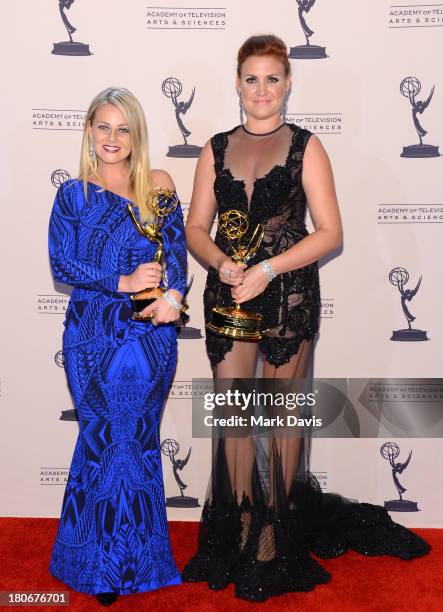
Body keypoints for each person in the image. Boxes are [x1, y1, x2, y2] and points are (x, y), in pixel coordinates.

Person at [181, 35, 431, 602]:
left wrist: (267, 269)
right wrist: (220, 262)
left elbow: (330, 232)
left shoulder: (306, 147)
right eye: (251, 78)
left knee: (283, 421)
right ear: (237, 82)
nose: (262, 90)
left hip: (288, 296)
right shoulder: (214, 148)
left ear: (288, 83)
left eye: (273, 78)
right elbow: (197, 226)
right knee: (237, 419)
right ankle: (238, 527)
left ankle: (273, 537)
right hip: (228, 301)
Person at [48, 87, 187, 606]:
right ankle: (94, 565)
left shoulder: (159, 185)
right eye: (103, 127)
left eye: (122, 128)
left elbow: (176, 253)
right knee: (103, 441)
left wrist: (174, 294)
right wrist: (122, 279)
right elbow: (64, 264)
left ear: (136, 135)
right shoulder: (73, 195)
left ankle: (143, 564)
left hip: (150, 337)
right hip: (92, 335)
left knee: (139, 443)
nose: (112, 138)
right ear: (89, 131)